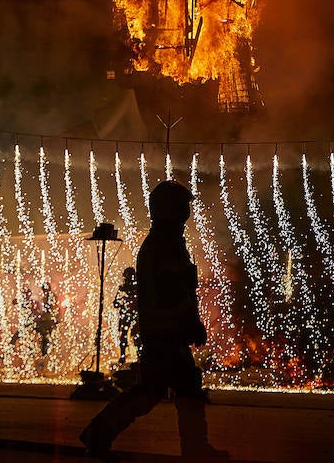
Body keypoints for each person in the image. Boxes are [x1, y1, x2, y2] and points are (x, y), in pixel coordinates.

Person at [80, 180, 226, 461]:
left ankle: (98, 434)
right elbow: (174, 291)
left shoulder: (166, 242)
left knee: (157, 392)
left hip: (164, 331)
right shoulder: (165, 244)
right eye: (183, 206)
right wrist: (190, 322)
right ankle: (195, 449)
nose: (188, 211)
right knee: (179, 391)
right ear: (169, 209)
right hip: (166, 332)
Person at [114, 266, 139, 364]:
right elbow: (115, 303)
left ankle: (138, 356)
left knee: (136, 337)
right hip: (126, 316)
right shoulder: (122, 289)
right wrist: (121, 302)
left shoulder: (137, 289)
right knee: (124, 336)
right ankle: (123, 356)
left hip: (133, 316)